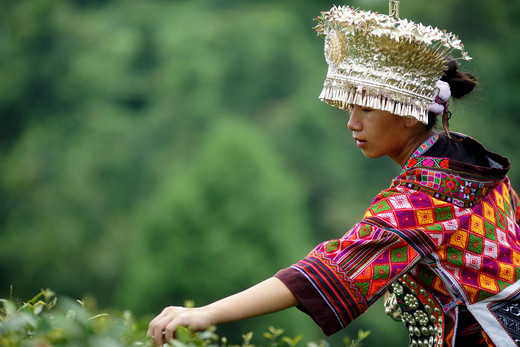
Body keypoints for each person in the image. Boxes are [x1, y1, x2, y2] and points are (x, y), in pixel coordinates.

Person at [148, 3, 520, 346]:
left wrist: (206, 313)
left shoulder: (422, 200)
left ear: (409, 114)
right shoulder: (471, 164)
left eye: (367, 109)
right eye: (349, 107)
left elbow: (333, 269)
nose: (352, 123)